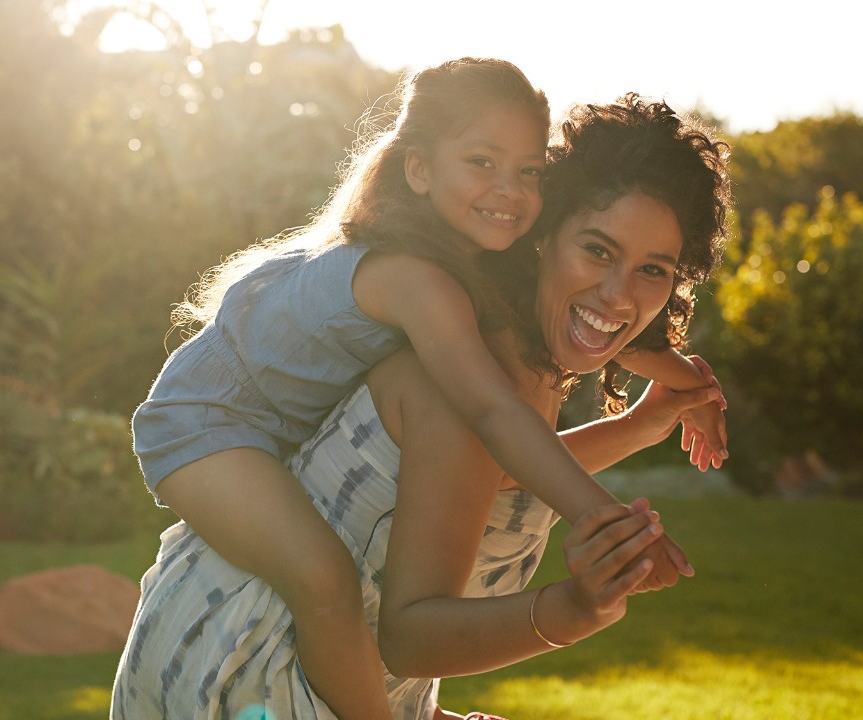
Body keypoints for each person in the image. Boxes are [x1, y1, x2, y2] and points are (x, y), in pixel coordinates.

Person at [131, 58, 724, 719]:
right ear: (540, 236)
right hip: (242, 668)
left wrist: (661, 409)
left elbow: (494, 472)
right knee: (319, 575)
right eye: (598, 250)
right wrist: (587, 566)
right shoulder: (453, 338)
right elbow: (485, 437)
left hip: (268, 652)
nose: (621, 296)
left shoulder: (505, 342)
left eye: (654, 270)